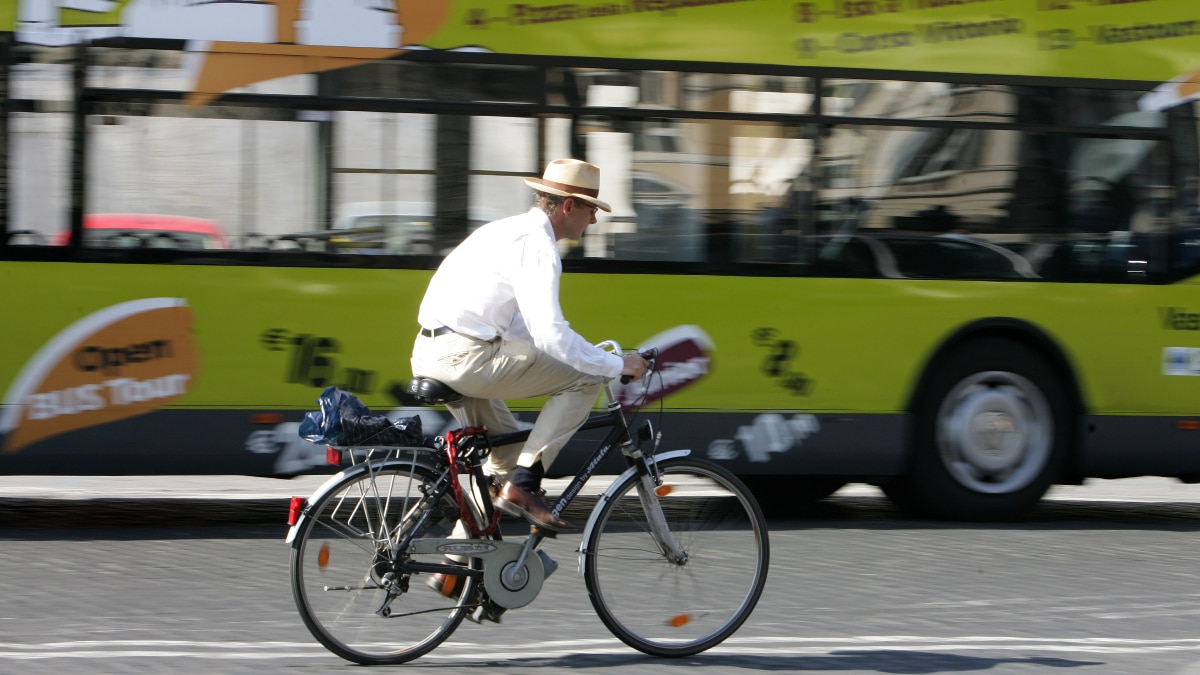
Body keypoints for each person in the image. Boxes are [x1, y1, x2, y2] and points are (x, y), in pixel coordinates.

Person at [411, 158, 649, 536]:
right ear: (569, 205)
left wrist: (590, 354)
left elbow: (524, 330)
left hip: (431, 354)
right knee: (586, 379)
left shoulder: (504, 231)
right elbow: (549, 335)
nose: (593, 221)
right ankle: (525, 487)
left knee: (504, 458)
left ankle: (457, 564)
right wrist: (614, 364)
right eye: (590, 209)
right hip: (465, 359)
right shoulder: (539, 246)